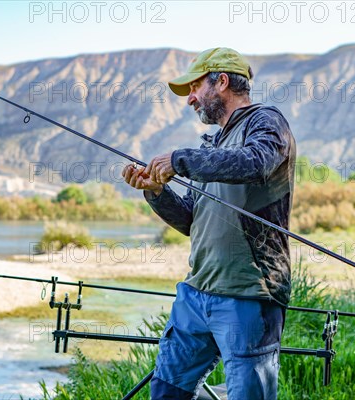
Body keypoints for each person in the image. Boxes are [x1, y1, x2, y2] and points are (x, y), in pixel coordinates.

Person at [122, 48, 296, 400]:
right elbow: (190, 220)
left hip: (249, 293)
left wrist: (180, 160)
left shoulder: (265, 121)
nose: (190, 99)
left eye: (195, 87)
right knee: (167, 391)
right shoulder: (212, 144)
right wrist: (157, 192)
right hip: (197, 293)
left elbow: (256, 162)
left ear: (221, 81)